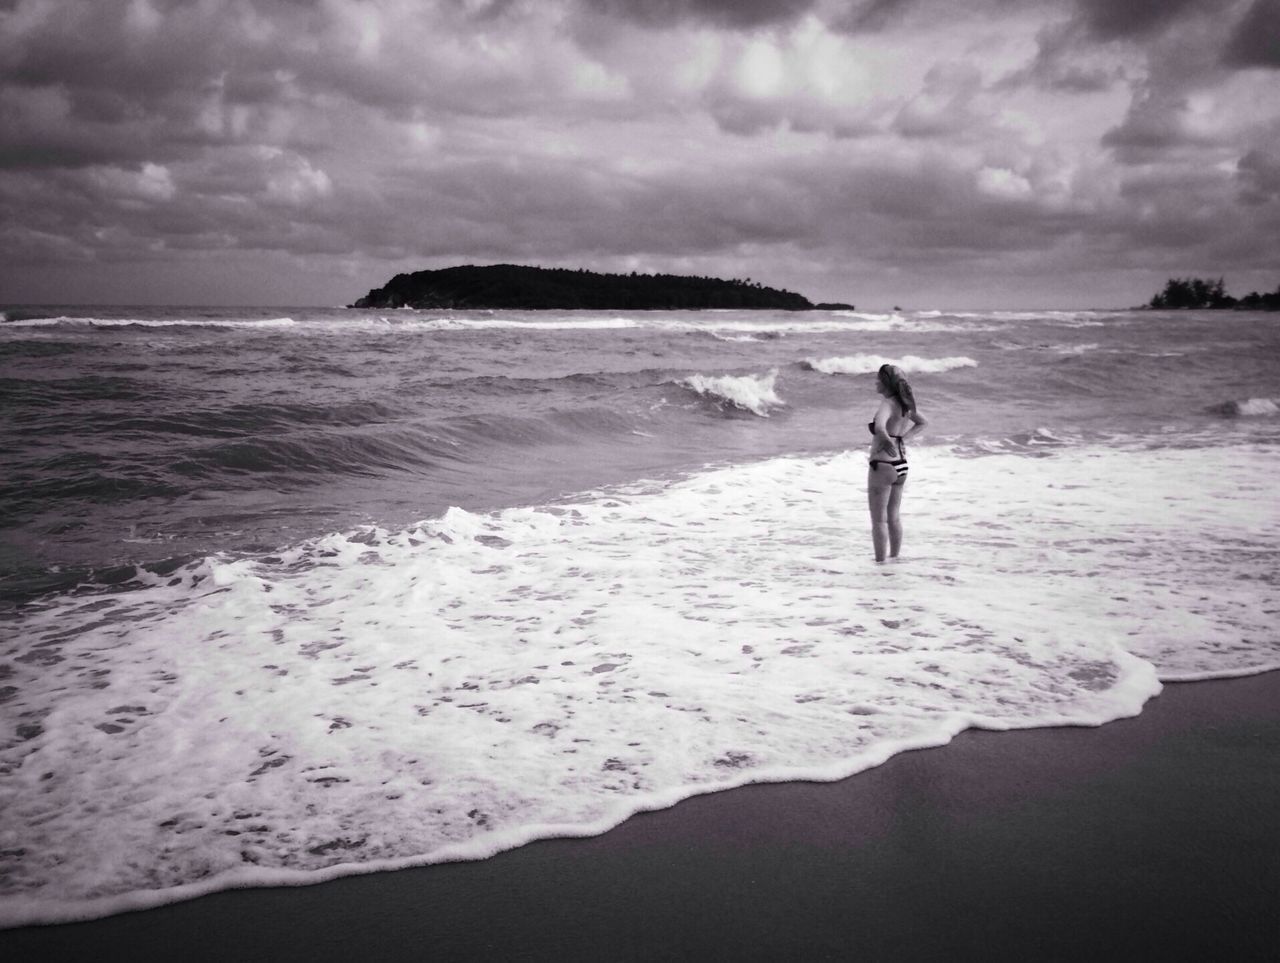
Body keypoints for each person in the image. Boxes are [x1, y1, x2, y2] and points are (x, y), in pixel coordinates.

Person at [867, 363, 927, 562]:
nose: (875, 382)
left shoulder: (887, 404)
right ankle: (894, 559)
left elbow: (880, 426)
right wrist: (904, 437)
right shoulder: (905, 405)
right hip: (901, 464)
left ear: (885, 383)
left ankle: (880, 564)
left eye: (878, 379)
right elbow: (923, 422)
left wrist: (885, 439)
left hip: (883, 466)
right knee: (894, 517)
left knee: (878, 520)